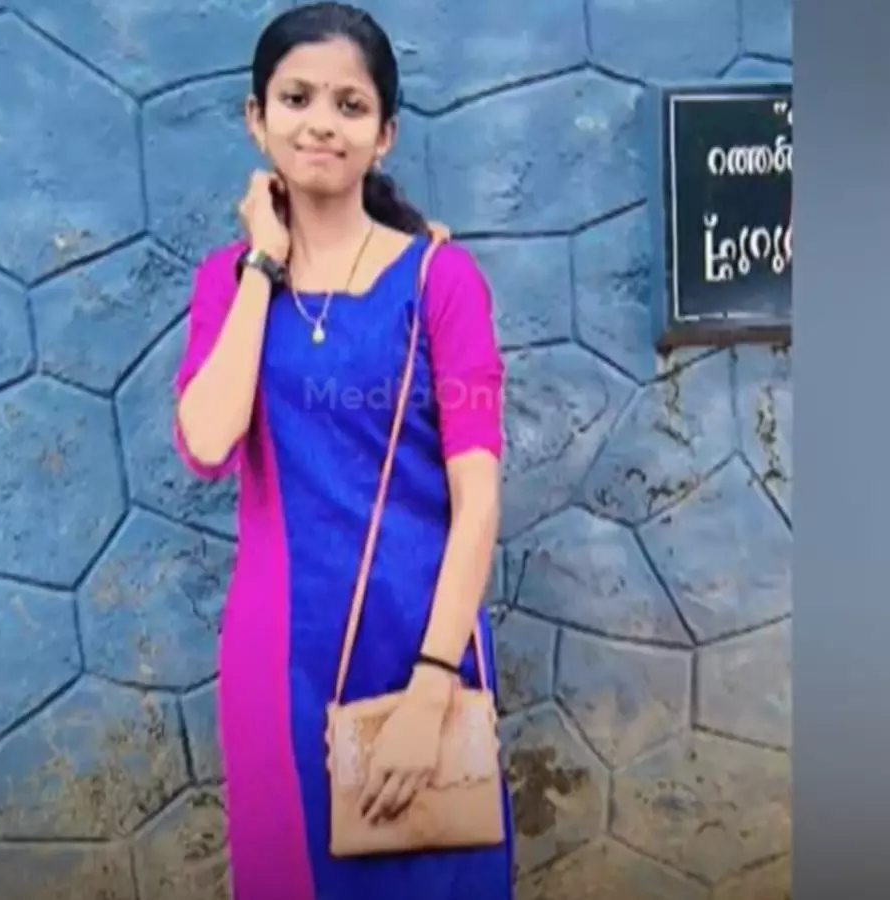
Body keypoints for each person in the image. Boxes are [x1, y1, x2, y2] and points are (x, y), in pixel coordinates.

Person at [172, 3, 513, 898]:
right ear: (257, 119)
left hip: (424, 643)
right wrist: (262, 264)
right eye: (296, 98)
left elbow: (478, 498)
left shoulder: (441, 281)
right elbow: (206, 442)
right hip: (278, 654)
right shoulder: (227, 282)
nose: (321, 122)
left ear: (385, 134)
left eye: (350, 105)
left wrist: (431, 690)